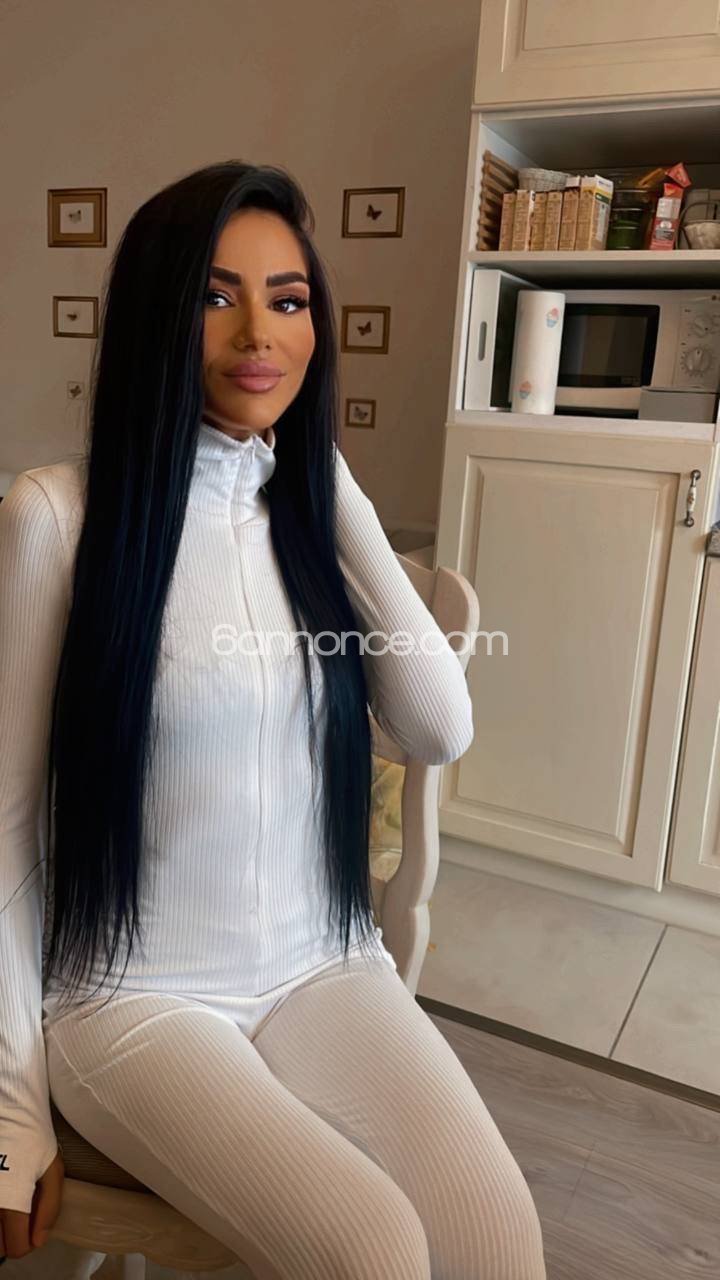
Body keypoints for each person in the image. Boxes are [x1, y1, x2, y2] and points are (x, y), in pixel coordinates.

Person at [0, 161, 547, 1279]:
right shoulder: (58, 516)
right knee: (374, 1248)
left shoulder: (307, 523)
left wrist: (327, 481)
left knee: (500, 1238)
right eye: (216, 295)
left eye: (289, 301)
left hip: (325, 963)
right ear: (157, 316)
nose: (260, 332)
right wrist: (8, 1110)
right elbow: (5, 829)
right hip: (134, 996)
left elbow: (438, 728)